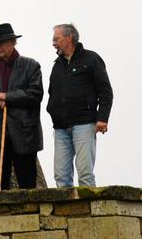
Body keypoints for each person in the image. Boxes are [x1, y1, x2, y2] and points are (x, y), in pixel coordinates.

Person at [0, 23, 44, 190]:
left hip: (24, 134)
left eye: (1, 42)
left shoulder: (31, 66)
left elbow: (35, 94)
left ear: (13, 42)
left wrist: (7, 97)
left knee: (27, 183)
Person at [46, 23, 113, 188]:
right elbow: (52, 92)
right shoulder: (57, 65)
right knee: (61, 176)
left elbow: (106, 92)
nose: (53, 42)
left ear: (69, 38)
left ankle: (89, 212)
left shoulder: (91, 59)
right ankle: (64, 213)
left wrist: (102, 118)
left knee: (85, 173)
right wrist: (52, 111)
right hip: (60, 127)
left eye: (56, 39)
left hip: (84, 124)